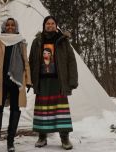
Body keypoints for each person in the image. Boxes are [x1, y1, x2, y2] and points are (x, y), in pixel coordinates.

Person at [29, 16, 78, 150]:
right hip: (43, 81)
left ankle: (64, 138)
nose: (50, 25)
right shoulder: (37, 41)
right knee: (42, 110)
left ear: (56, 26)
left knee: (60, 110)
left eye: (52, 23)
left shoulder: (63, 41)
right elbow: (31, 61)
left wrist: (72, 80)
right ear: (44, 25)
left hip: (59, 81)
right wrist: (30, 79)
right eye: (47, 23)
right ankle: (42, 137)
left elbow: (71, 61)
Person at [0, 18, 32, 152]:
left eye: (13, 25)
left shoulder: (21, 42)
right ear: (4, 26)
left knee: (15, 109)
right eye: (7, 25)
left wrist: (28, 80)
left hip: (16, 80)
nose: (10, 27)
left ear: (16, 27)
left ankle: (10, 142)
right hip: (1, 81)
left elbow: (26, 62)